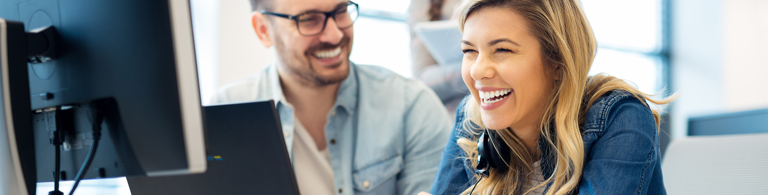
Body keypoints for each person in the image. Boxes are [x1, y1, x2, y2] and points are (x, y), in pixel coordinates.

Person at [423, 0, 677, 194]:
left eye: (502, 50)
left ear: (557, 60)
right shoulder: (472, 119)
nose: (477, 70)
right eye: (469, 50)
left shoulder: (621, 117)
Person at [210, 0, 452, 194]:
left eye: (341, 11)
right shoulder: (222, 115)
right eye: (309, 19)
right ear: (263, 30)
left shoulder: (413, 108)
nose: (334, 35)